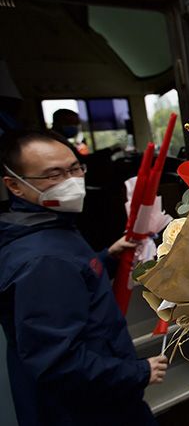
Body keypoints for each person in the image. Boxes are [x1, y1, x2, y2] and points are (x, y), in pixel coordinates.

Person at [0, 130, 167, 426]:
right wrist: (139, 372)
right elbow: (59, 362)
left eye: (75, 168)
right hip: (88, 409)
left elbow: (65, 288)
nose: (71, 181)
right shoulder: (43, 260)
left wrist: (105, 257)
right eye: (53, 174)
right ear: (15, 185)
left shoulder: (49, 228)